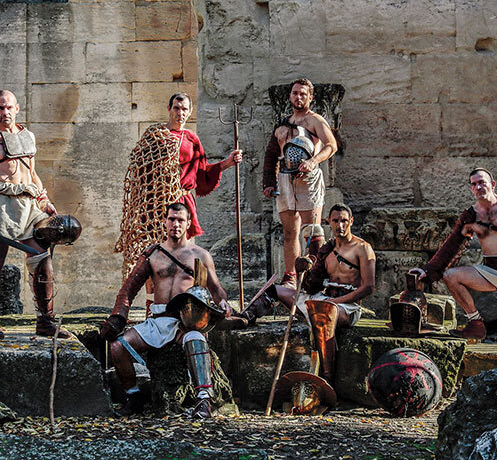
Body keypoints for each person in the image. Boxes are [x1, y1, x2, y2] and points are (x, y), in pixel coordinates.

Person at [101, 202, 233, 419]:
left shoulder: (200, 255)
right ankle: (133, 398)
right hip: (158, 320)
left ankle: (204, 400)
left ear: (188, 223)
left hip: (185, 320)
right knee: (118, 347)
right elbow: (129, 288)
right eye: (171, 219)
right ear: (165, 222)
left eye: (180, 220)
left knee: (196, 340)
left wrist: (223, 304)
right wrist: (118, 316)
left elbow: (216, 289)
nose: (175, 224)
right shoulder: (153, 254)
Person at [0, 89, 71, 339]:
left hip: (29, 205)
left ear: (17, 108)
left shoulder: (28, 136)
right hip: (3, 205)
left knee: (41, 256)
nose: (5, 112)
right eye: (0, 108)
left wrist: (44, 199)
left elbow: (32, 174)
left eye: (9, 107)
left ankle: (45, 320)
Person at [235, 204, 375, 382]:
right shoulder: (327, 249)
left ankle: (326, 378)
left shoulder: (363, 248)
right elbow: (311, 286)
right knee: (275, 290)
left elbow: (368, 287)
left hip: (347, 307)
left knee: (324, 314)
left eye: (344, 221)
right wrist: (302, 268)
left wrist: (337, 302)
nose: (340, 225)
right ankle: (245, 318)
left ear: (351, 222)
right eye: (336, 221)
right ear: (329, 222)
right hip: (321, 299)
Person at [408, 168, 497, 358]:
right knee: (450, 276)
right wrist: (427, 269)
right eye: (474, 184)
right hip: (489, 272)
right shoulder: (471, 215)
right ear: (471, 189)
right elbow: (452, 246)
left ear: (492, 185)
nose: (479, 187)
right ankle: (475, 323)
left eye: (482, 182)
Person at [116, 92, 242, 280]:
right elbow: (141, 170)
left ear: (190, 112)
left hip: (182, 200)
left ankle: (180, 299)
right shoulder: (155, 136)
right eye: (176, 108)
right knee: (155, 253)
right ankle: (154, 305)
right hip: (156, 203)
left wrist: (227, 163)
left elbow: (203, 170)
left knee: (184, 252)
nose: (180, 113)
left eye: (184, 109)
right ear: (169, 109)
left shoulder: (191, 139)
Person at [261, 78, 338, 287]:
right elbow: (271, 154)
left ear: (310, 97)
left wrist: (313, 162)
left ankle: (314, 276)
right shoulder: (283, 124)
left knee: (312, 230)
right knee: (289, 232)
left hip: (308, 179)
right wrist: (269, 182)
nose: (298, 97)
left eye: (303, 94)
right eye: (295, 93)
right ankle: (291, 276)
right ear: (290, 96)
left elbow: (331, 145)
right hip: (285, 180)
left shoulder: (315, 121)